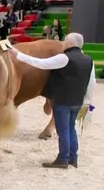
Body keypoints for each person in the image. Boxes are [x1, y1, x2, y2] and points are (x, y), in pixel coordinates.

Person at [11, 33, 95, 169]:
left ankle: (62, 159)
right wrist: (88, 102)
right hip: (77, 101)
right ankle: (73, 158)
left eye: (64, 42)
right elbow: (91, 83)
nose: (63, 44)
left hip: (62, 101)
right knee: (71, 129)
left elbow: (40, 63)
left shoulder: (64, 58)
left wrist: (17, 54)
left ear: (69, 43)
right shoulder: (88, 59)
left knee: (63, 131)